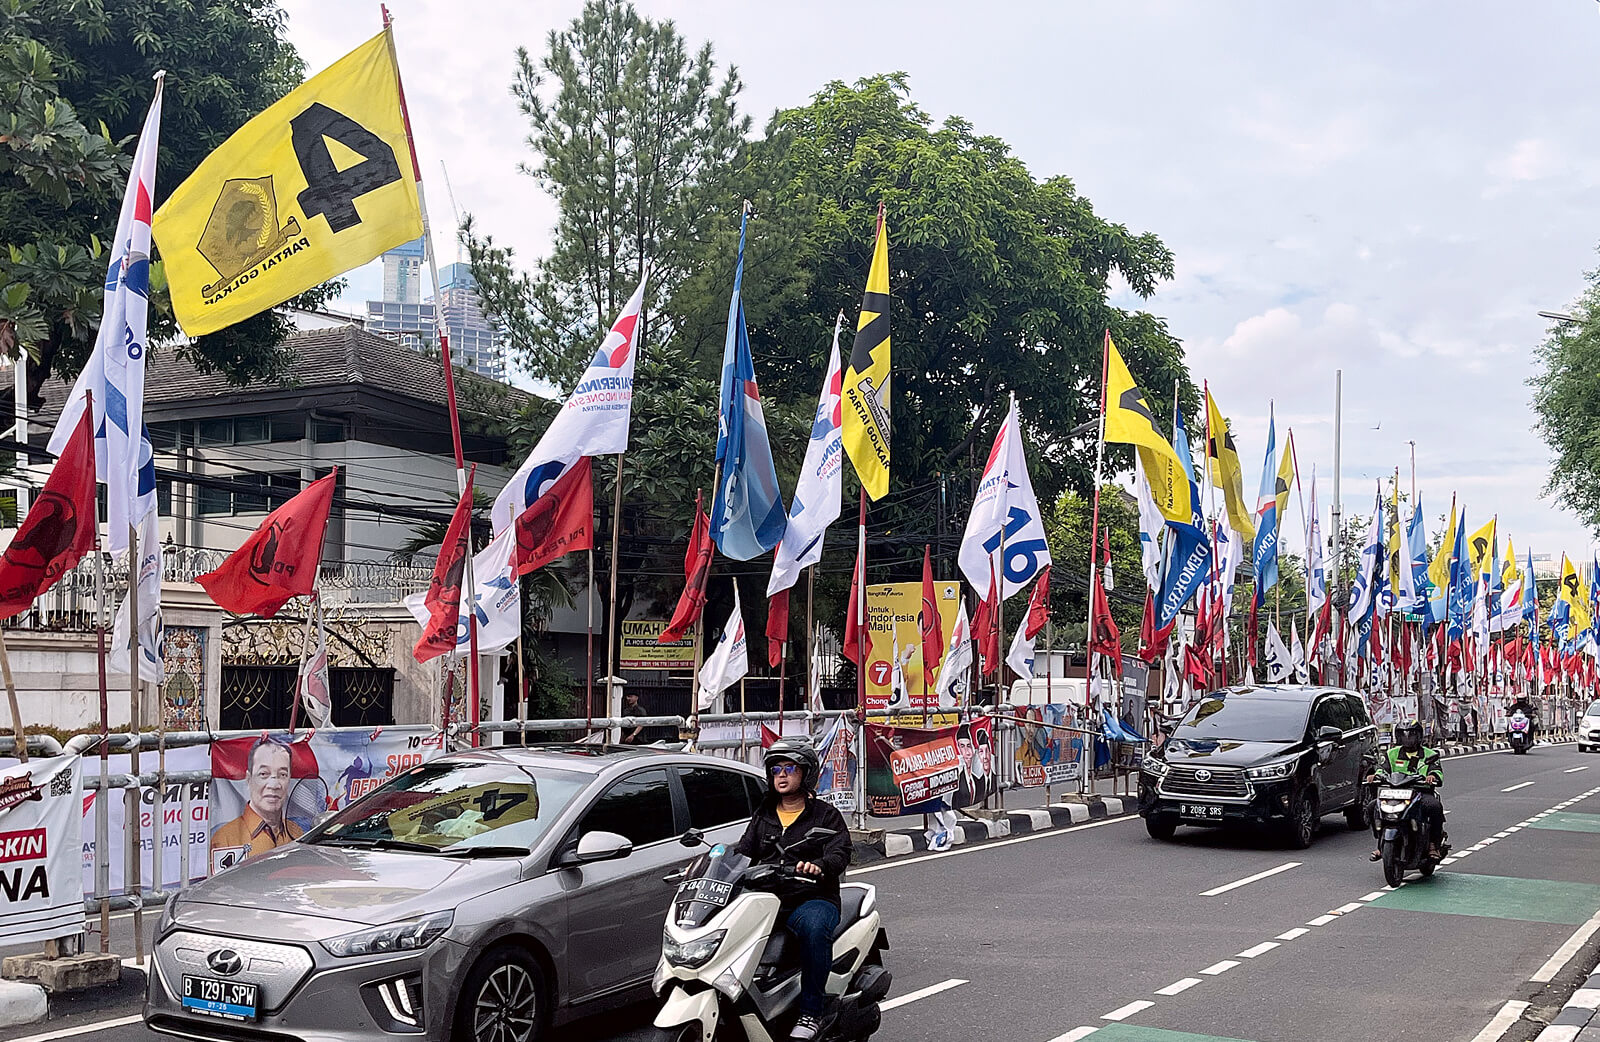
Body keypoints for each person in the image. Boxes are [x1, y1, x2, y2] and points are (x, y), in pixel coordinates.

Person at [734, 738, 852, 1041]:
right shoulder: (764, 814)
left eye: (789, 768)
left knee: (814, 929)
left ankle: (811, 1013)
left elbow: (841, 852)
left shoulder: (825, 815)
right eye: (776, 770)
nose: (782, 775)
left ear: (806, 774)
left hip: (811, 897)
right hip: (767, 898)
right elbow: (743, 852)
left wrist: (820, 865)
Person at [212, 738, 303, 862]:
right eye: (264, 774)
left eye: (282, 775)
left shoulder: (296, 831)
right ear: (248, 779)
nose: (274, 785)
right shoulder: (225, 838)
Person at [1367, 722, 1444, 862]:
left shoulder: (1429, 754)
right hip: (1395, 792)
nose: (1407, 739)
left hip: (1420, 793)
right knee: (1372, 807)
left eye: (1411, 735)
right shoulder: (1391, 753)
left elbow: (1437, 772)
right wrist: (1375, 776)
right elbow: (1382, 769)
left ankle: (1433, 845)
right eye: (1403, 735)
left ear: (1419, 736)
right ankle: (1380, 843)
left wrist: (1432, 777)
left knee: (1434, 807)